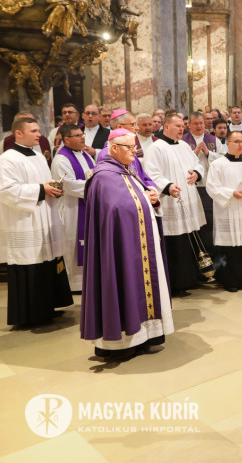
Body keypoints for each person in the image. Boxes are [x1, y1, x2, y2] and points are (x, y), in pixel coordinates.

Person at [80, 128, 173, 359]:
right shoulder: (104, 177)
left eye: (135, 147)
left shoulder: (127, 169)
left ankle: (147, 335)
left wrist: (152, 197)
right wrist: (143, 199)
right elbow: (116, 209)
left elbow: (137, 196)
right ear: (114, 148)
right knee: (123, 282)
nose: (135, 152)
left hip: (139, 243)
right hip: (121, 248)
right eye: (130, 147)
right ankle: (121, 343)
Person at [0, 117, 72, 326]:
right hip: (25, 220)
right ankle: (29, 316)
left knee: (48, 261)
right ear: (18, 133)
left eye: (38, 130)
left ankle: (47, 308)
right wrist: (42, 189)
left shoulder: (39, 156)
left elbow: (44, 183)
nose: (39, 134)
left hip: (45, 216)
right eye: (33, 131)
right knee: (31, 262)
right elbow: (6, 191)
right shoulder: (7, 159)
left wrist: (54, 188)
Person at [144, 113, 207, 295]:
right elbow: (151, 174)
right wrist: (168, 186)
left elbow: (198, 164)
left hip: (188, 199)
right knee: (175, 244)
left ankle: (192, 278)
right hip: (170, 201)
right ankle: (176, 284)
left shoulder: (185, 146)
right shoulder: (156, 148)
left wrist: (197, 173)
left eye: (182, 126)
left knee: (190, 239)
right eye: (178, 126)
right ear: (166, 127)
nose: (181, 129)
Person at [206, 129, 242, 292]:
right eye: (236, 142)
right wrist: (231, 193)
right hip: (228, 210)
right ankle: (230, 280)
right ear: (228, 143)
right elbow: (212, 187)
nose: (240, 145)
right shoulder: (218, 164)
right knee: (229, 245)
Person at [51, 124, 95, 293]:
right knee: (72, 244)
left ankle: (88, 281)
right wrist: (96, 186)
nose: (82, 137)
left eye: (82, 134)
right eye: (78, 135)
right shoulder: (61, 159)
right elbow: (68, 185)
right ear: (67, 139)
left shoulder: (85, 155)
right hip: (72, 209)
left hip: (87, 205)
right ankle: (73, 284)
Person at [182, 111, 221, 255]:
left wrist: (208, 153)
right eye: (195, 123)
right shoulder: (182, 141)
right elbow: (179, 162)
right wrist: (194, 153)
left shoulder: (214, 140)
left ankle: (210, 252)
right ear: (189, 125)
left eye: (201, 123)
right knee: (194, 220)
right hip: (191, 186)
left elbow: (223, 159)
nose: (199, 126)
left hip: (209, 187)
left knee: (209, 220)